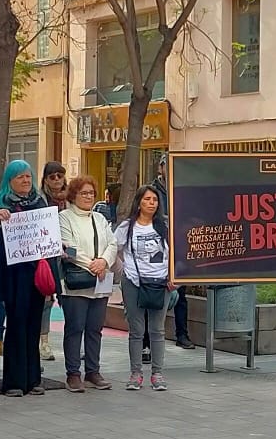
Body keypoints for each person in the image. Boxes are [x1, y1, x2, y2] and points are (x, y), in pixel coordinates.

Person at [0, 160, 55, 397]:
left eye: (28, 176)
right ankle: (13, 381)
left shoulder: (39, 203)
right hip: (12, 276)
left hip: (36, 273)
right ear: (9, 181)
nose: (25, 181)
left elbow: (48, 238)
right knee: (15, 324)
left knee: (34, 324)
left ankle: (33, 379)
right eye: (19, 177)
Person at [59, 175, 117, 392]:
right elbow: (68, 248)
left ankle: (93, 371)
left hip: (100, 281)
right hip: (76, 283)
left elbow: (112, 243)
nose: (88, 197)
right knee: (75, 328)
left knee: (95, 329)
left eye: (91, 193)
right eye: (83, 193)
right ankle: (73, 373)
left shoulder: (100, 219)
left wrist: (104, 261)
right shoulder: (64, 217)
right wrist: (92, 265)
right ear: (73, 195)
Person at [114, 185, 174, 391]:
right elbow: (114, 249)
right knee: (136, 330)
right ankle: (136, 373)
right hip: (134, 282)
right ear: (139, 202)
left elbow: (178, 253)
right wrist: (124, 271)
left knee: (157, 329)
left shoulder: (165, 226)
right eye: (147, 199)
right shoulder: (127, 227)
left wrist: (175, 279)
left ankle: (157, 373)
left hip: (161, 282)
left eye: (155, 200)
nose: (151, 203)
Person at [150, 155, 194, 351]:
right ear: (161, 168)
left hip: (179, 244)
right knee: (153, 293)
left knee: (180, 293)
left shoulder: (184, 188)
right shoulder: (152, 190)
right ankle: (147, 342)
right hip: (157, 246)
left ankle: (182, 334)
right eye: (167, 165)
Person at [39, 160, 69, 363]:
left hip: (69, 256)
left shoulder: (72, 199)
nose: (57, 180)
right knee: (46, 301)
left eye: (60, 175)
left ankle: (73, 343)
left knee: (71, 300)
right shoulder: (39, 199)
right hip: (48, 256)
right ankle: (44, 342)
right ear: (45, 179)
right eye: (52, 176)